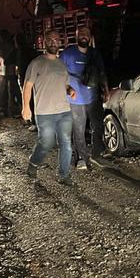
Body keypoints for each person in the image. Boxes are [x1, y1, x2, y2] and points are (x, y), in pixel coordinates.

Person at [22, 30, 77, 185]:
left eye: (56, 39)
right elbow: (27, 86)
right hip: (44, 112)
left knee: (66, 143)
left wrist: (70, 90)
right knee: (46, 142)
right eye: (50, 40)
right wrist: (26, 107)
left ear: (60, 42)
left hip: (64, 111)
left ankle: (63, 175)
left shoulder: (61, 64)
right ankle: (33, 163)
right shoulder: (36, 63)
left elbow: (65, 84)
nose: (53, 42)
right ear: (44, 43)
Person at [60, 26, 108, 169]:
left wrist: (106, 90)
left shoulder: (94, 53)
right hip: (75, 99)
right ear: (76, 36)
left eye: (86, 34)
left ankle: (96, 154)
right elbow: (59, 73)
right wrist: (67, 88)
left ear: (90, 37)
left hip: (92, 98)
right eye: (81, 33)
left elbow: (102, 73)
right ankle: (81, 157)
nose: (83, 36)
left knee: (98, 125)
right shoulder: (68, 53)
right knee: (78, 129)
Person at [0, 30, 20, 117]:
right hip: (10, 71)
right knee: (12, 91)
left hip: (3, 71)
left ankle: (3, 109)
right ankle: (12, 109)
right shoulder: (12, 46)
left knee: (3, 91)